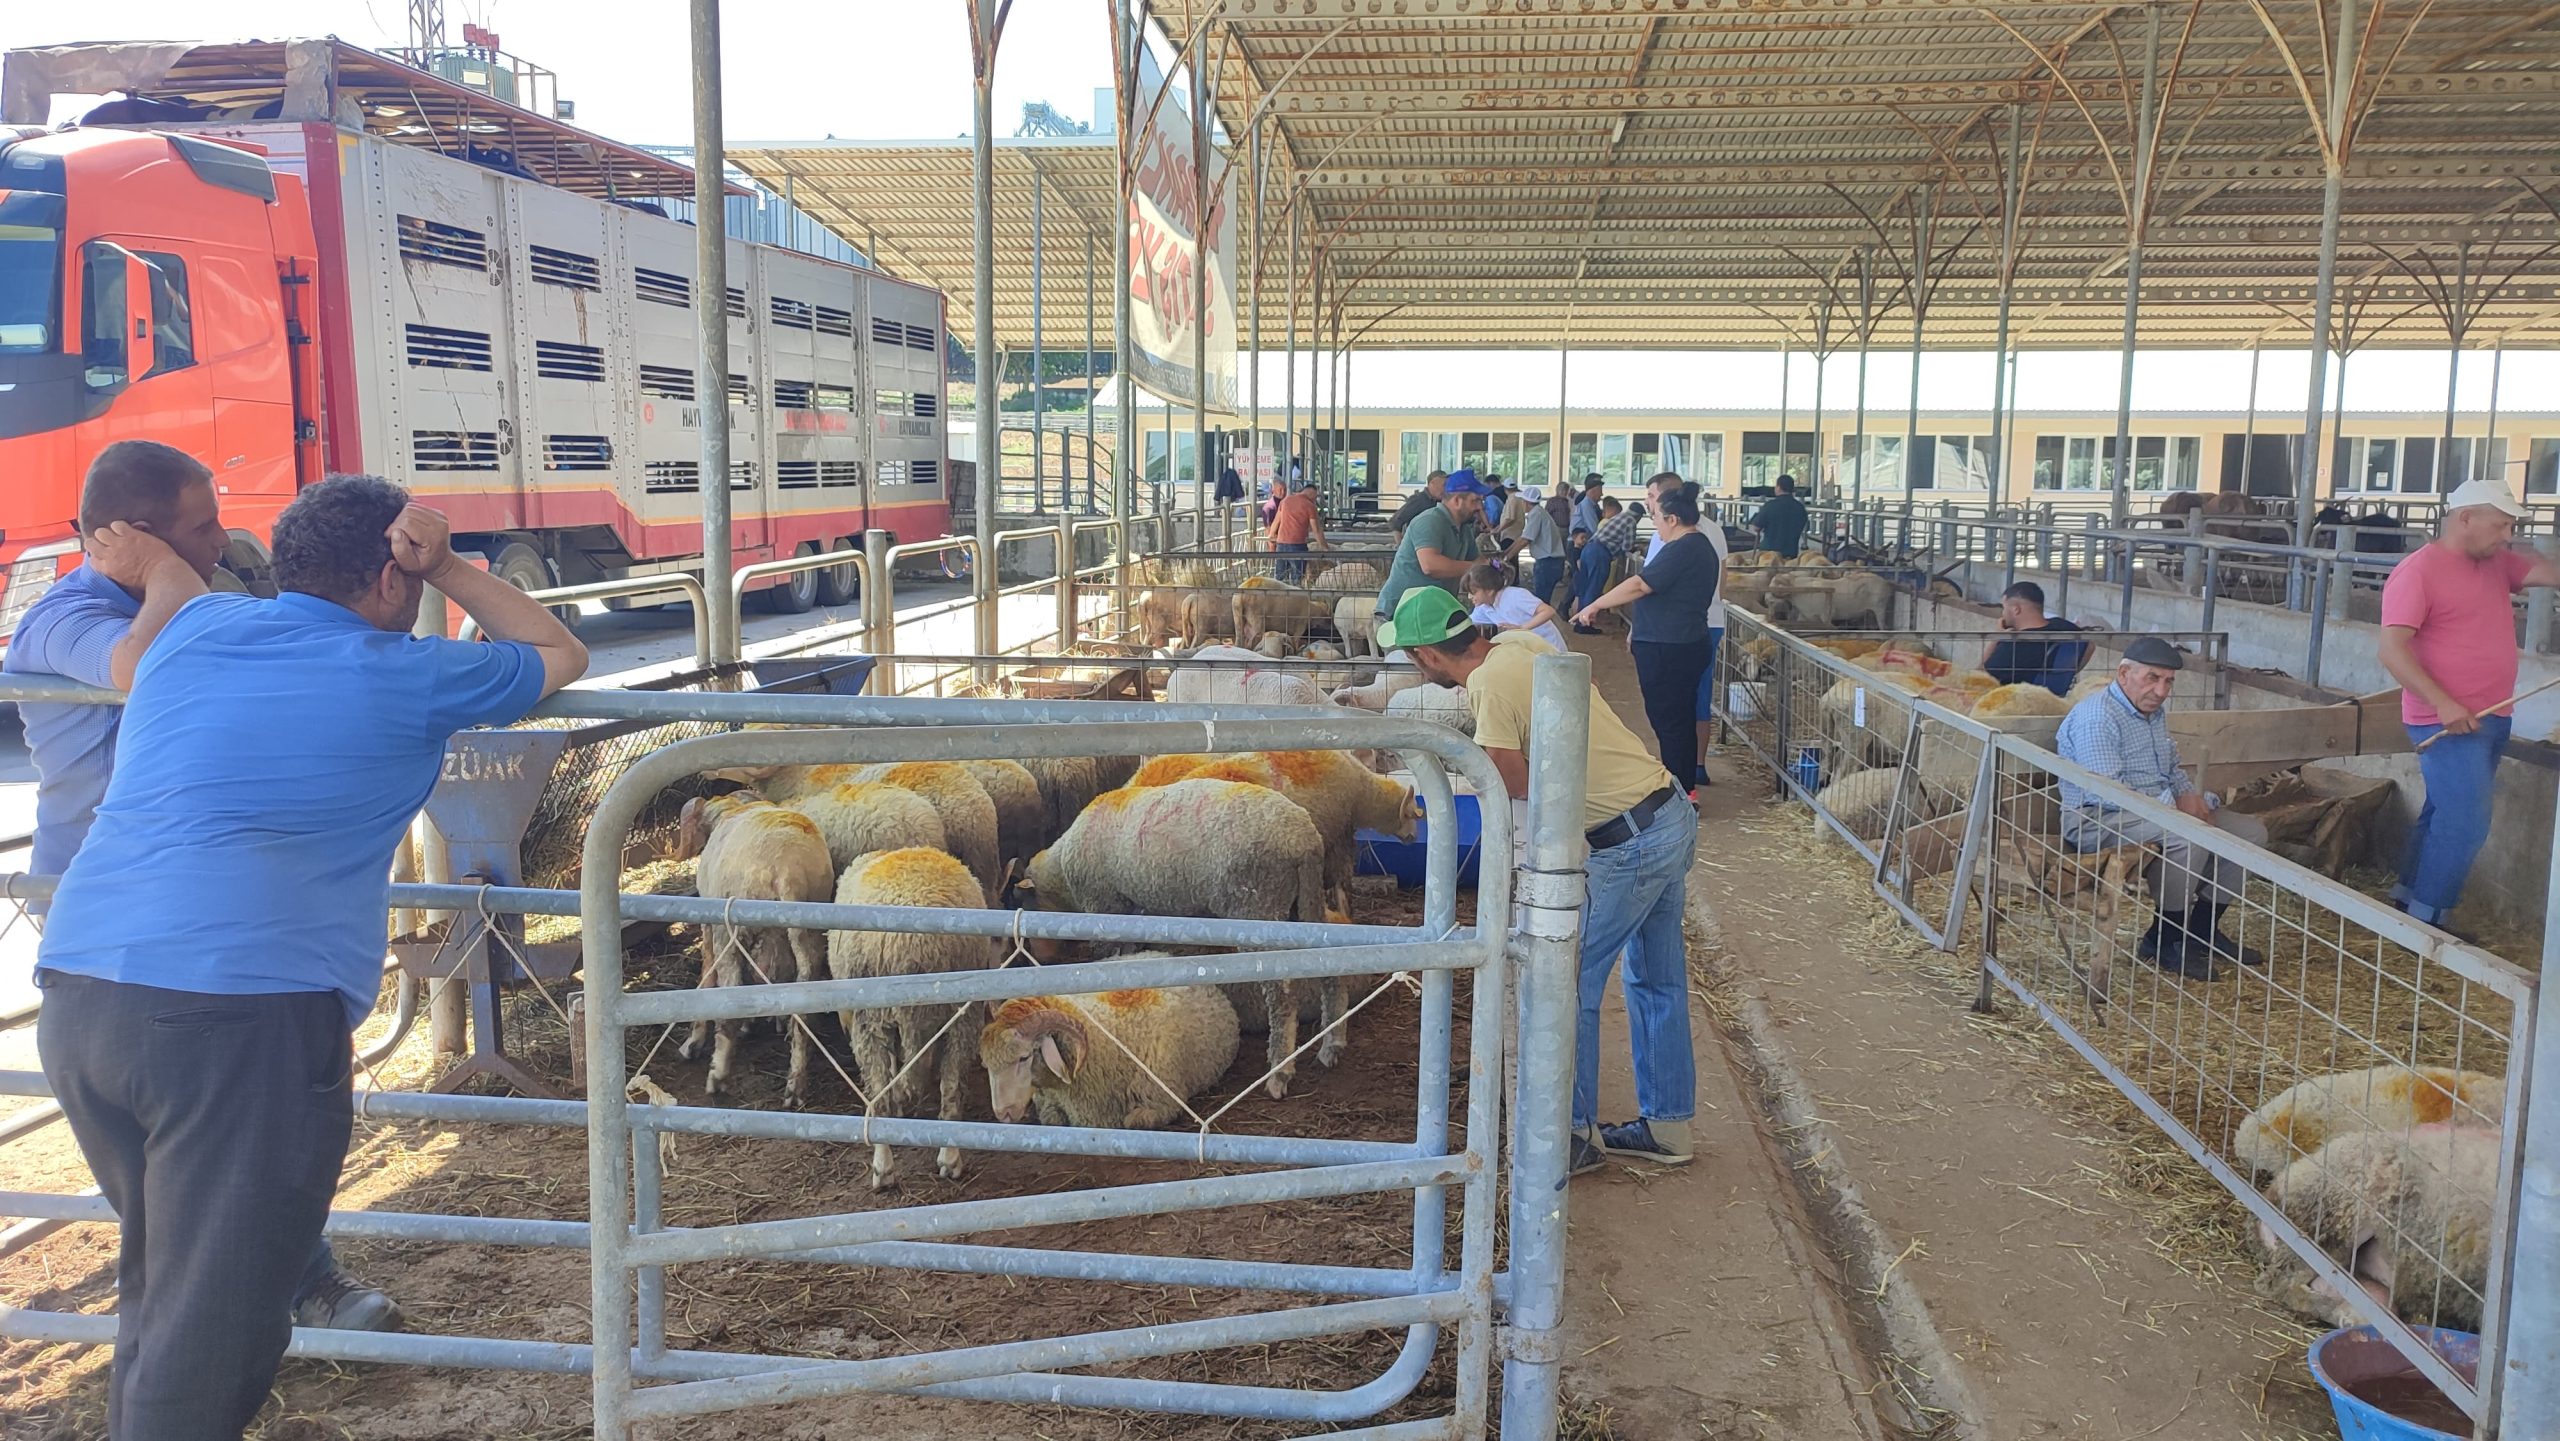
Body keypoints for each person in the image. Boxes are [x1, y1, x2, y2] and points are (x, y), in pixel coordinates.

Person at [36, 474, 588, 1440]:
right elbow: (558, 650)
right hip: (239, 1020)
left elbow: (182, 595)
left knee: (167, 1289)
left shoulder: (196, 633)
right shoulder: (403, 672)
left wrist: (162, 563)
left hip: (84, 998)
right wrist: (453, 562)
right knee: (217, 1320)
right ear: (390, 577)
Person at [3, 441, 408, 1336]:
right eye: (199, 528)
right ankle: (250, 1302)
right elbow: (139, 669)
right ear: (134, 539)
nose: (223, 541)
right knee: (189, 1157)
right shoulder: (67, 618)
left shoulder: (204, 597)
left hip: (208, 907)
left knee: (232, 1143)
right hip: (112, 908)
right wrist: (163, 578)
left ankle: (258, 1296)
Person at [1376, 587, 1696, 1173]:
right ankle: (1669, 1125)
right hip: (1667, 810)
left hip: (1626, 844)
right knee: (1657, 978)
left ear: (1425, 656)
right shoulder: (1518, 643)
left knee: (1565, 982)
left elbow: (1513, 779)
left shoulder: (1487, 687)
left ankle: (1568, 1136)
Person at [2376, 476, 2560, 930]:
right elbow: (2392, 649)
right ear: (2466, 518)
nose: (2508, 536)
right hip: (2447, 720)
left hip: (2491, 715)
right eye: (2500, 525)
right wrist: (2442, 703)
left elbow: (2549, 573)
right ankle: (2428, 923)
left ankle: (2408, 899)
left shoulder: (2496, 563)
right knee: (2466, 824)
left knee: (2443, 810)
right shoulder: (2418, 571)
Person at [2054, 638, 2268, 980]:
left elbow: (2171, 767)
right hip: (2097, 818)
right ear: (2124, 674)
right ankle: (2163, 940)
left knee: (2251, 834)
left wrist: (2196, 799)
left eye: (2168, 681)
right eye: (2152, 678)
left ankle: (2201, 931)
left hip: (2149, 810)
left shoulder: (2151, 713)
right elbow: (2110, 791)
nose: (2161, 690)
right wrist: (2174, 807)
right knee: (2189, 836)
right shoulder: (2098, 716)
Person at [1576, 487, 1720, 797]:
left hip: (1669, 644)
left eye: (1656, 518)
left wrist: (1596, 604)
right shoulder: (1698, 547)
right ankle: (1683, 786)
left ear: (1673, 518)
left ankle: (1680, 790)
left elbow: (1641, 584)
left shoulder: (1683, 548)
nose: (1655, 524)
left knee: (1669, 719)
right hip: (1681, 641)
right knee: (1677, 716)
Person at [1642, 475, 1728, 788]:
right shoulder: (1713, 531)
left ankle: (1681, 781)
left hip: (1677, 629)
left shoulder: (1669, 534)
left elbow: (1648, 584)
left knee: (1673, 707)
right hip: (1710, 621)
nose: (1649, 502)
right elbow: (1724, 576)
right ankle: (1698, 766)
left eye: (1651, 495)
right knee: (1697, 698)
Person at [1378, 468, 1486, 618]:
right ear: (1456, 500)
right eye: (1475, 500)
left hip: (1430, 611)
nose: (1480, 507)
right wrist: (1479, 567)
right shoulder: (1430, 521)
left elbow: (1476, 559)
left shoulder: (1464, 529)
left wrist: (1492, 570)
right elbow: (1431, 565)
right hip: (1401, 614)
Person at [1979, 580, 2089, 696]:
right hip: (2054, 700)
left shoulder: (2012, 646)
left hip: (2016, 704)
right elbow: (2090, 645)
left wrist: (1996, 638)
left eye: (2004, 608)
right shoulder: (2064, 627)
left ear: (2016, 609)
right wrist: (2066, 674)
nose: (2003, 614)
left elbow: (1979, 678)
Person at [1463, 560, 1565, 651]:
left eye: (1474, 592)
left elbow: (1548, 611)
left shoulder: (1515, 595)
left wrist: (1522, 628)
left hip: (1550, 647)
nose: (1469, 597)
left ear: (1489, 590)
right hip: (1530, 650)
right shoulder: (1483, 607)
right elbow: (1469, 624)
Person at [1267, 474, 1327, 583]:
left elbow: (1276, 521)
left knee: (1280, 577)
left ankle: (1280, 597)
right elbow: (1316, 530)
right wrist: (1325, 548)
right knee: (1297, 577)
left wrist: (1271, 537)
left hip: (1281, 545)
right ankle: (1295, 596)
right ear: (1312, 494)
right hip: (1297, 545)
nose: (1315, 500)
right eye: (1315, 497)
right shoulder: (1310, 506)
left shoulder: (1285, 501)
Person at [1520, 486, 1571, 606]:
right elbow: (1523, 538)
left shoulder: (1536, 514)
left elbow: (1525, 540)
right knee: (1543, 600)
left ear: (1526, 502)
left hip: (1547, 562)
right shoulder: (1540, 512)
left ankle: (1542, 624)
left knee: (1541, 602)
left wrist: (1506, 555)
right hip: (1552, 561)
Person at [1753, 474, 1810, 559]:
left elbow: (1756, 527)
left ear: (1778, 487)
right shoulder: (1800, 508)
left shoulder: (1770, 506)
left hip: (1768, 554)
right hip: (1790, 554)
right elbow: (1805, 527)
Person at [1390, 469, 1450, 534]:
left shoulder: (1445, 500)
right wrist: (1401, 543)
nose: (1446, 489)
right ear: (1432, 483)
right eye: (1443, 485)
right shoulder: (1418, 500)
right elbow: (1395, 522)